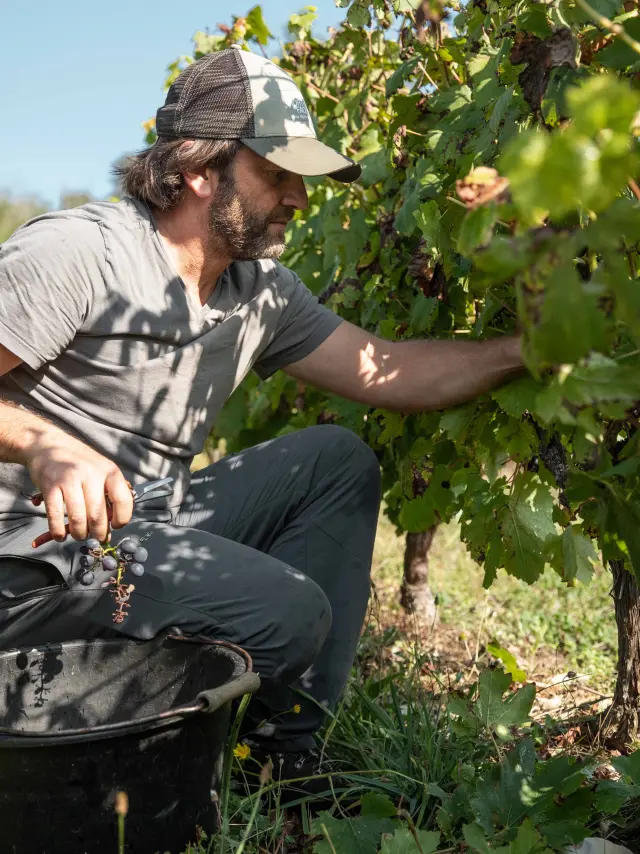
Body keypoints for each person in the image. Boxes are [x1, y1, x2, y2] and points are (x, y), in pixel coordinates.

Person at [0, 47, 522, 792]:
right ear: (198, 169)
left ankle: (283, 765)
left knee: (335, 461)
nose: (298, 200)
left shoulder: (258, 293)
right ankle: (148, 756)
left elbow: (394, 368)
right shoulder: (77, 255)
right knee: (288, 613)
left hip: (146, 527)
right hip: (31, 560)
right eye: (276, 176)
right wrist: (43, 446)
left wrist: (530, 349)